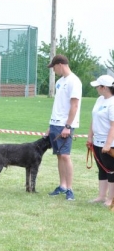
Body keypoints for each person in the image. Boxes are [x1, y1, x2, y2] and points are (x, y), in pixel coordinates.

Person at [47, 54, 82, 201]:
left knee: (66, 156)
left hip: (65, 125)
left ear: (60, 64)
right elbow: (58, 104)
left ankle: (69, 189)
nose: (54, 70)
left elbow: (74, 105)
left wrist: (67, 126)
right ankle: (62, 186)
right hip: (55, 123)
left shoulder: (74, 81)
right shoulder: (60, 82)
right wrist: (50, 124)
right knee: (59, 156)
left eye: (54, 67)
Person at [86, 75, 114, 206]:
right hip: (97, 141)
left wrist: (108, 144)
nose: (96, 88)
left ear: (104, 87)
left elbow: (113, 126)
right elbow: (93, 119)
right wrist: (90, 137)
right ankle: (101, 196)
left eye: (98, 86)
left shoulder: (112, 103)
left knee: (110, 170)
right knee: (102, 169)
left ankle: (111, 198)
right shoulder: (99, 100)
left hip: (109, 144)